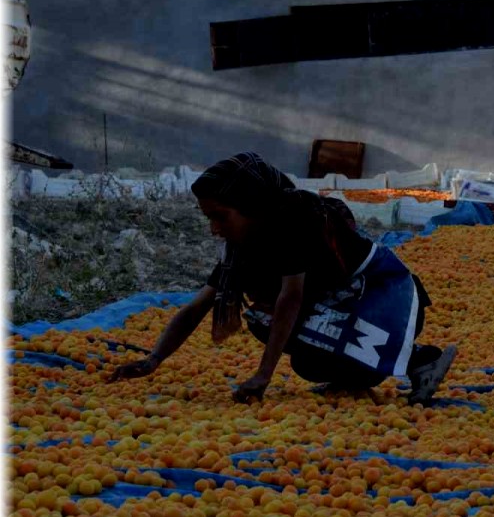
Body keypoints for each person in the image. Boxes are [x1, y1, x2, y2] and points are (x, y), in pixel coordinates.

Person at [108, 152, 457, 405]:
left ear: (252, 207)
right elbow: (198, 305)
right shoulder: (242, 244)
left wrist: (263, 375)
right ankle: (352, 376)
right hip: (340, 304)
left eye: (221, 217)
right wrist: (153, 359)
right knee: (304, 360)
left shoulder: (295, 222)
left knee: (270, 317)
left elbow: (290, 299)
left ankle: (420, 359)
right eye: (209, 218)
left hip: (382, 299)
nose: (214, 228)